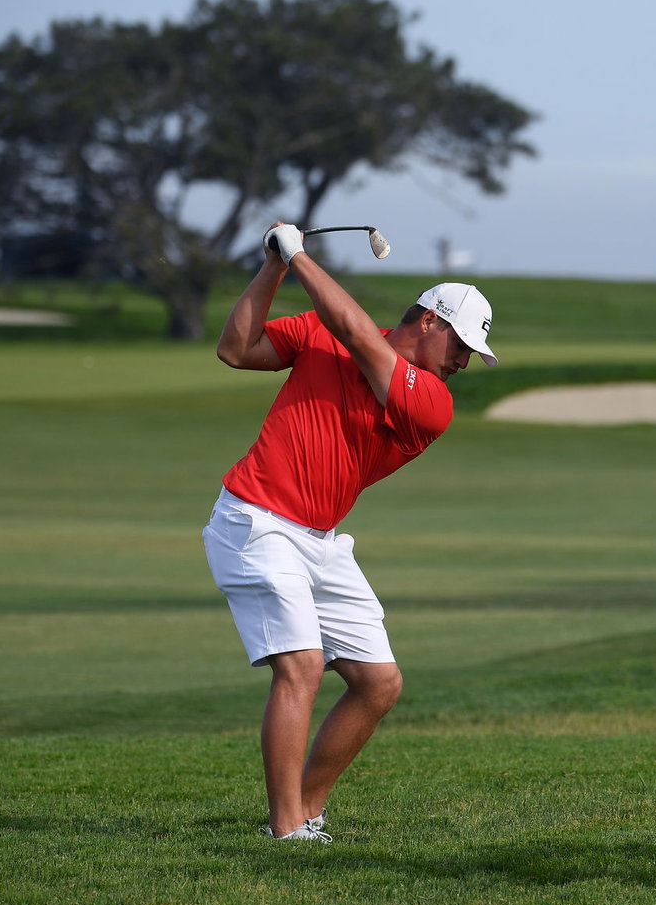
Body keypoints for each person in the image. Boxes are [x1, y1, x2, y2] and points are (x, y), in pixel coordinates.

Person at [203, 222, 498, 843]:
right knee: (303, 666)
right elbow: (236, 349)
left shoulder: (432, 404)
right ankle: (287, 829)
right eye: (461, 345)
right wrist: (274, 267)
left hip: (319, 539)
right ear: (428, 320)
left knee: (379, 683)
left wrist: (300, 254)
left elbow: (358, 334)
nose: (463, 362)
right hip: (255, 519)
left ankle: (306, 806)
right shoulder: (319, 333)